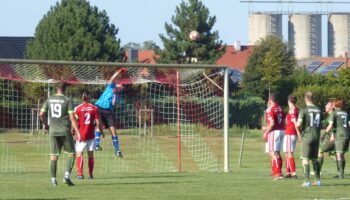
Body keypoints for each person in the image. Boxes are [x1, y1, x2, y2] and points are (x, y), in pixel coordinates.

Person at [39, 81, 81, 187]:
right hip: (65, 131)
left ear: (55, 88)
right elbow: (72, 117)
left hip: (53, 131)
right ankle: (66, 176)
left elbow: (41, 114)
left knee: (53, 156)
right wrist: (77, 132)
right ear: (65, 89)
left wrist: (45, 124)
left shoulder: (49, 99)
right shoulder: (67, 100)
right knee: (71, 154)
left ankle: (53, 180)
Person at [94, 67, 127, 158]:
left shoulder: (118, 96)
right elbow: (112, 78)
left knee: (113, 131)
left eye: (122, 87)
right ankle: (96, 145)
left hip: (108, 112)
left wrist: (115, 95)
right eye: (121, 85)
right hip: (99, 108)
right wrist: (118, 72)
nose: (121, 86)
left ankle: (117, 150)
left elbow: (113, 103)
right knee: (98, 125)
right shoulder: (111, 86)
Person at [74, 92, 104, 179]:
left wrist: (72, 131)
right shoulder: (94, 108)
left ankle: (80, 174)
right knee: (90, 155)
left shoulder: (77, 108)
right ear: (89, 97)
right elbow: (98, 123)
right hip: (91, 135)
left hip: (81, 135)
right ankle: (90, 175)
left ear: (82, 98)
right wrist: (102, 132)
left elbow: (75, 122)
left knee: (79, 154)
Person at [296, 91, 322, 187]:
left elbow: (298, 124)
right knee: (315, 159)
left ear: (305, 98)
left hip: (307, 136)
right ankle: (318, 180)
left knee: (305, 159)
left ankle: (306, 181)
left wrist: (297, 127)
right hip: (316, 136)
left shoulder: (304, 110)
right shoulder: (319, 110)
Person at [325, 98, 350, 179]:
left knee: (338, 155)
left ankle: (340, 174)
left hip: (340, 135)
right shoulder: (345, 113)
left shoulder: (334, 113)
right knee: (342, 155)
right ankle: (341, 173)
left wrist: (325, 133)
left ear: (335, 105)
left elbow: (330, 125)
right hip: (347, 135)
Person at [262, 93, 285, 180]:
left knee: (272, 152)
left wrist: (266, 132)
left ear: (270, 100)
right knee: (277, 152)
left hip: (274, 132)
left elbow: (272, 123)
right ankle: (278, 172)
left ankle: (277, 173)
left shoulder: (270, 109)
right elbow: (282, 121)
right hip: (282, 130)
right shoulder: (281, 108)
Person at [283, 95, 301, 178]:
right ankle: (288, 172)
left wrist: (298, 133)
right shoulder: (296, 109)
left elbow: (295, 122)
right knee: (287, 153)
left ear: (289, 101)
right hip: (290, 133)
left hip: (290, 133)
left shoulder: (293, 110)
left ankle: (293, 173)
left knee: (289, 153)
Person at [318, 99, 336, 173]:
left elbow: (334, 126)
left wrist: (331, 135)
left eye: (327, 105)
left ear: (331, 107)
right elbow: (323, 123)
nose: (325, 106)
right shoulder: (330, 115)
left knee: (320, 151)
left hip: (332, 138)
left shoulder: (332, 115)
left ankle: (318, 170)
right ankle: (340, 170)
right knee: (331, 154)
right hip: (333, 138)